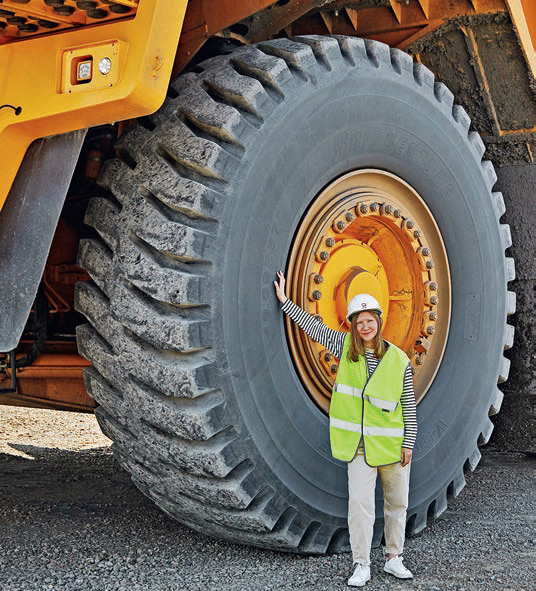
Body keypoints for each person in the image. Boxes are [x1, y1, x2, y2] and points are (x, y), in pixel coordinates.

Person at [273, 270, 417, 587]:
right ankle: (362, 564)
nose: (365, 326)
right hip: (359, 446)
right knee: (360, 506)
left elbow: (408, 406)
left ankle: (394, 558)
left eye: (370, 320)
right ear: (353, 324)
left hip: (392, 446)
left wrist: (409, 442)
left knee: (397, 504)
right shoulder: (345, 346)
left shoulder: (399, 360)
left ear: (379, 321)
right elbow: (314, 328)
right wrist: (285, 302)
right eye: (359, 321)